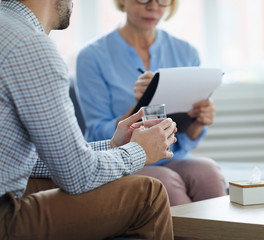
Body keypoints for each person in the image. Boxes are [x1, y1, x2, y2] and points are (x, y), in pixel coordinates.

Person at [0, 0, 178, 239]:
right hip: (5, 216)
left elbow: (24, 161)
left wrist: (114, 146)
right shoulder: (31, 46)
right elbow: (76, 175)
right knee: (149, 193)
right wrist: (139, 152)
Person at [76, 0, 226, 207]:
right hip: (122, 161)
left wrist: (200, 121)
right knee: (164, 182)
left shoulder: (186, 52)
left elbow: (188, 137)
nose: (153, 6)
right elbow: (96, 135)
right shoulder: (91, 57)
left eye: (162, 0)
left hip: (173, 156)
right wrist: (140, 104)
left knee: (208, 172)